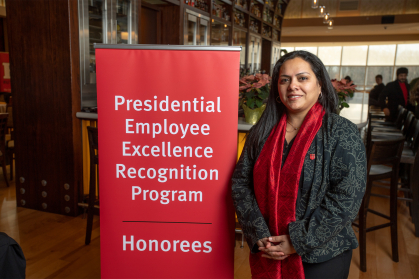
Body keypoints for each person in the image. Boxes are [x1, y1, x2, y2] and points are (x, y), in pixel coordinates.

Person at [231, 51, 366, 279]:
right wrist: (259, 234)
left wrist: (296, 241)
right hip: (268, 248)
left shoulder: (341, 132)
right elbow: (240, 183)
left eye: (302, 78)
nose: (293, 86)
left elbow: (346, 197)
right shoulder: (262, 132)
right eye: (285, 80)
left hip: (321, 254)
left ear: (320, 85)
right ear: (277, 89)